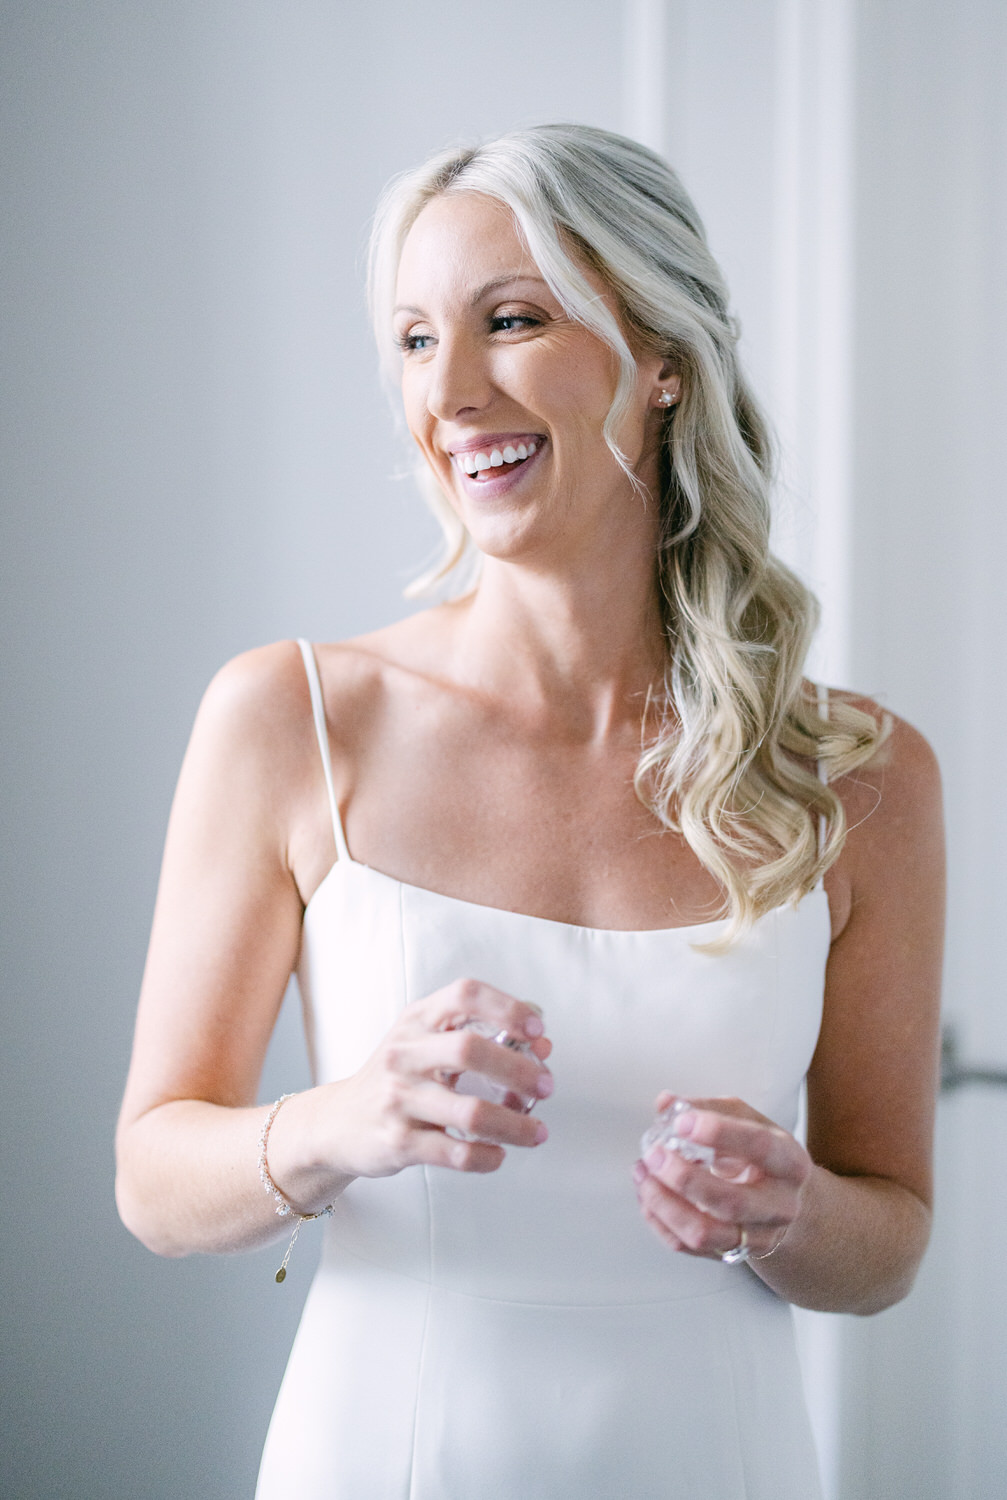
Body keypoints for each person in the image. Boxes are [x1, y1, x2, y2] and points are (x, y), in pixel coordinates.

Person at [115, 123, 945, 1499]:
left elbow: (890, 1238)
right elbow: (156, 1177)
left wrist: (789, 1213)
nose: (453, 393)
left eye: (511, 320)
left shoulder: (862, 779)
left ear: (664, 359)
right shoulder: (292, 723)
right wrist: (340, 1122)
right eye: (415, 341)